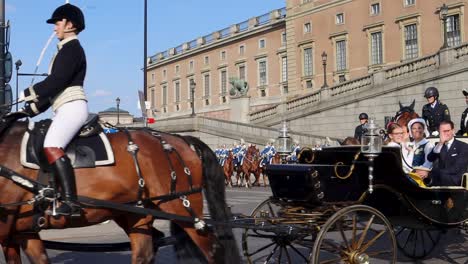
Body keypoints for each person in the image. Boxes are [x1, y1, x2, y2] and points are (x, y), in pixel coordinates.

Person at [17, 3, 87, 216]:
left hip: (73, 107)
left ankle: (71, 202)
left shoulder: (72, 49)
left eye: (57, 22)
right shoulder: (64, 49)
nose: (54, 27)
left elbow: (57, 81)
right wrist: (29, 110)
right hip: (63, 106)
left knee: (52, 144)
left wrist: (28, 92)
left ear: (70, 24)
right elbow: (55, 91)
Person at [428, 120, 468, 186]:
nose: (445, 134)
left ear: (453, 131)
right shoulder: (439, 146)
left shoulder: (463, 146)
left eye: (447, 131)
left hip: (456, 180)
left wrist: (434, 172)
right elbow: (430, 158)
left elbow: (456, 168)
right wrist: (440, 143)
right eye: (443, 131)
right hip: (440, 179)